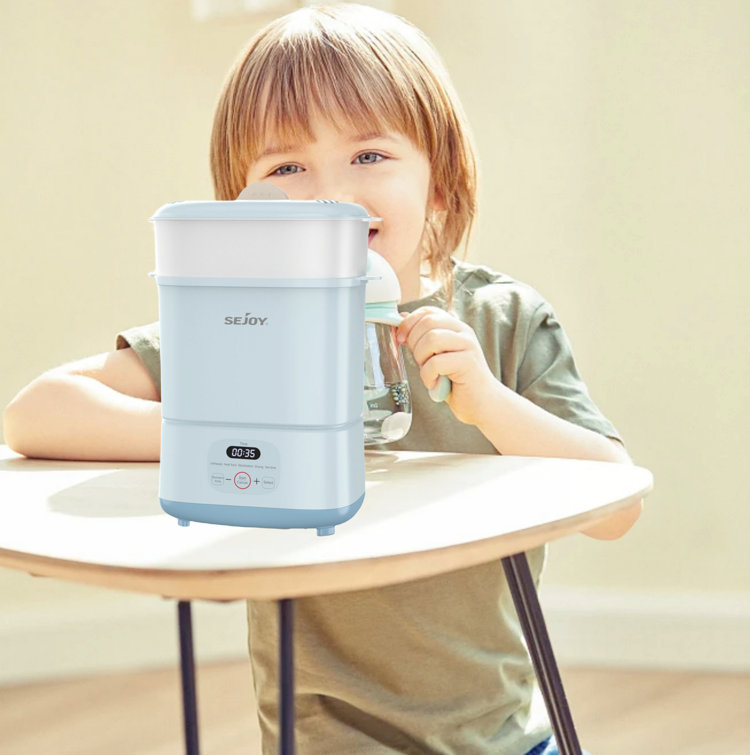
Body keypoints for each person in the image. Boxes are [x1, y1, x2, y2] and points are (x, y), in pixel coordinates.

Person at [3, 4, 641, 753]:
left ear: (439, 182)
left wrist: (491, 404)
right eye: (285, 167)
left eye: (369, 155)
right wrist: (234, 435)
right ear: (243, 206)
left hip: (505, 734)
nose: (328, 193)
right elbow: (36, 413)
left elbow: (613, 505)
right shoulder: (241, 322)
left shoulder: (500, 321)